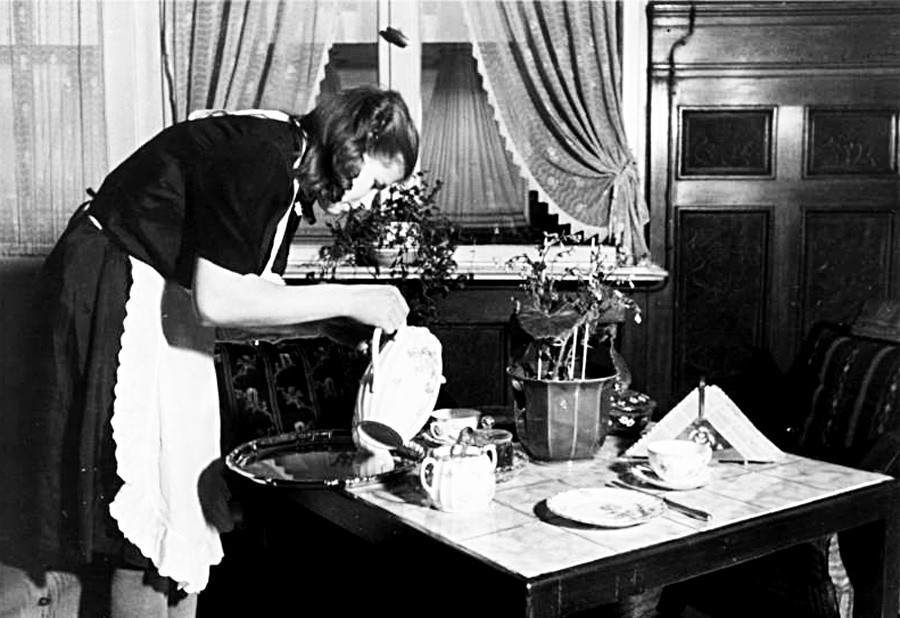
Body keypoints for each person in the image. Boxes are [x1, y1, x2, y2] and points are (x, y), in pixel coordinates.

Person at [1, 85, 417, 616]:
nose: (371, 201)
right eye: (376, 182)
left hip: (161, 303)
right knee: (146, 516)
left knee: (178, 502)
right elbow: (218, 300)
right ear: (351, 146)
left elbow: (245, 296)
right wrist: (354, 297)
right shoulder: (263, 157)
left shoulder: (285, 169)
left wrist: (327, 322)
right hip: (113, 290)